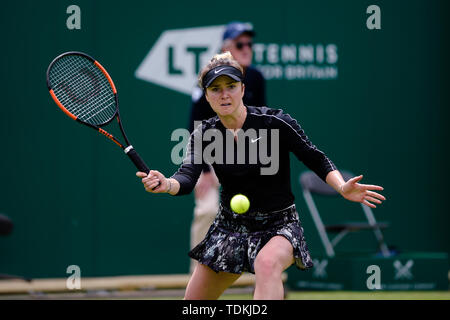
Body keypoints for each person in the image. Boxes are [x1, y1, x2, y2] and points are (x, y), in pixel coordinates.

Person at [136, 52, 386, 300]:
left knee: (266, 265)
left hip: (280, 225)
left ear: (243, 89)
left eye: (231, 86)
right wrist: (165, 183)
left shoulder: (275, 123)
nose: (224, 94)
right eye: (215, 89)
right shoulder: (204, 135)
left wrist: (341, 187)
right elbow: (186, 178)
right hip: (229, 228)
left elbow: (314, 157)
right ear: (207, 97)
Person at [187, 21, 266, 272]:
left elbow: (261, 122)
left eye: (249, 44)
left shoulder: (255, 77)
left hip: (245, 156)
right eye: (240, 44)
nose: (246, 48)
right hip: (211, 155)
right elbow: (195, 126)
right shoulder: (209, 79)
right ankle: (197, 278)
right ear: (226, 48)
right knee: (208, 210)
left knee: (263, 212)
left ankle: (264, 275)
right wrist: (204, 172)